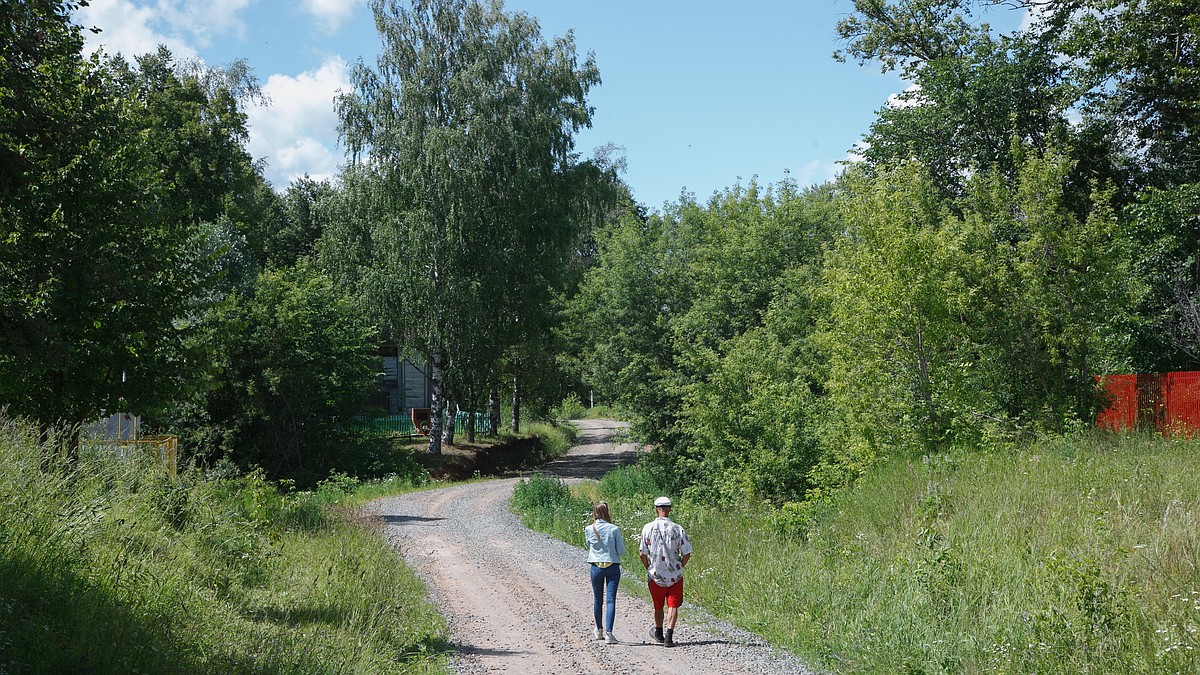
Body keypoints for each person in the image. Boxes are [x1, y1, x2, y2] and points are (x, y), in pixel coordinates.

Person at [639, 496, 693, 648]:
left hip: (655, 573)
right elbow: (687, 552)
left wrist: (647, 567)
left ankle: (658, 633)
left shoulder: (647, 528)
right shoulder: (678, 528)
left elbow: (642, 553)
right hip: (674, 574)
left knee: (658, 605)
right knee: (673, 605)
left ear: (656, 509)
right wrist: (680, 565)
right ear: (670, 509)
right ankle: (669, 637)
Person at [585, 501, 625, 644]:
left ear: (595, 513)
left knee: (597, 599)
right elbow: (621, 551)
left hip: (596, 566)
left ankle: (599, 629)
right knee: (610, 600)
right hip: (612, 566)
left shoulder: (589, 528)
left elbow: (588, 545)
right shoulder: (614, 529)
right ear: (607, 512)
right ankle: (609, 633)